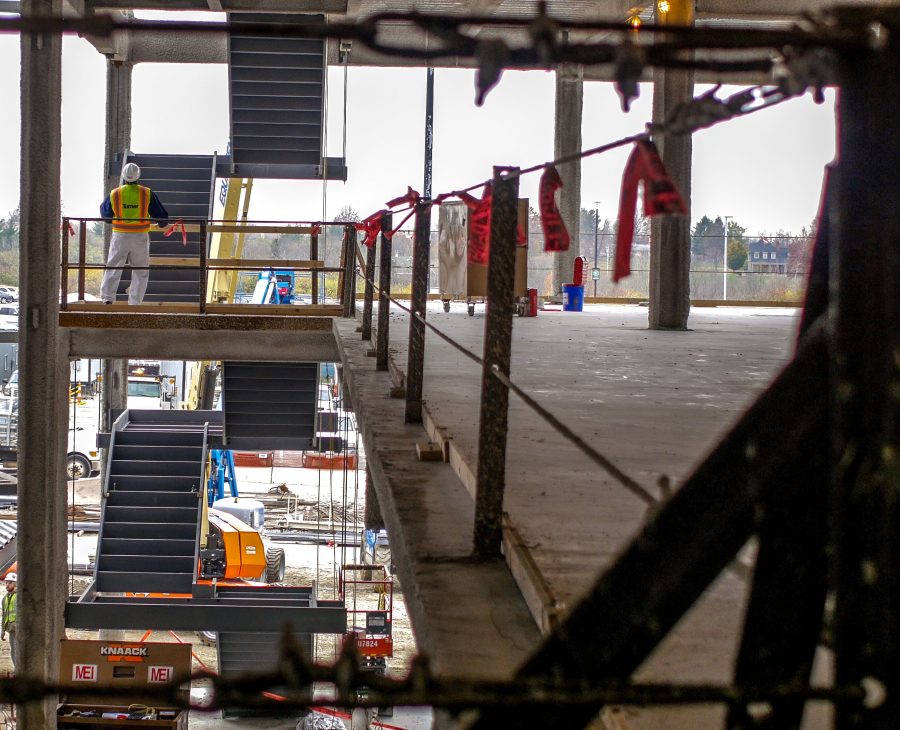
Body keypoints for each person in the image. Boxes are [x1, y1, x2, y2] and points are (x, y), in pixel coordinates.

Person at [99, 162, 169, 305]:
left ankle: (107, 299)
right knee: (140, 271)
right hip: (140, 237)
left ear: (123, 176)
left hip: (120, 237)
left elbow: (105, 216)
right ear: (138, 176)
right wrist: (162, 224)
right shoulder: (146, 193)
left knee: (113, 267)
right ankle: (135, 303)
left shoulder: (115, 193)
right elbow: (162, 217)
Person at [2, 572, 16, 669]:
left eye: (10, 582)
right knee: (13, 650)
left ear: (16, 583)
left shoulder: (20, 597)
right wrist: (2, 630)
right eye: (6, 582)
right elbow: (4, 615)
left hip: (20, 630)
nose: (7, 584)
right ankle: (17, 670)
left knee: (19, 650)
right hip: (11, 629)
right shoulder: (5, 599)